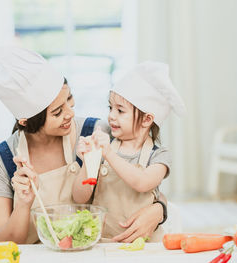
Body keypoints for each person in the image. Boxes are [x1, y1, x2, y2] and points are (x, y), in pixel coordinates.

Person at [0, 46, 167, 244]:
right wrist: (24, 204)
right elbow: (2, 243)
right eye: (58, 112)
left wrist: (160, 210)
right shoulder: (0, 161)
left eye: (69, 99)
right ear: (25, 121)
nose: (70, 113)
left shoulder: (97, 133)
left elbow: (146, 183)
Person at [73, 61, 186, 242]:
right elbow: (79, 197)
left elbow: (142, 182)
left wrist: (108, 154)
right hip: (103, 242)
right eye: (110, 108)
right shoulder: (105, 144)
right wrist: (88, 162)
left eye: (120, 110)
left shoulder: (158, 156)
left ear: (147, 119)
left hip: (145, 246)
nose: (111, 115)